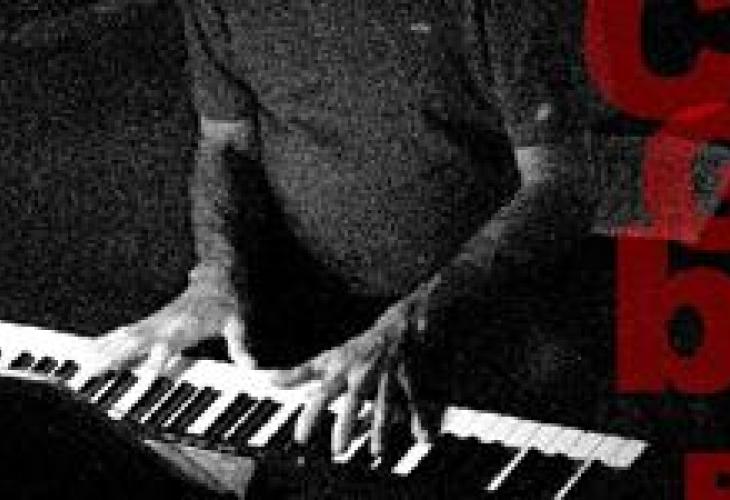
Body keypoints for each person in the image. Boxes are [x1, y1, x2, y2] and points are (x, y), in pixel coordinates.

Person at [91, 0, 726, 486]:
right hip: (322, 308)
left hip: (490, 313)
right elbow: (225, 143)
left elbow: (560, 187)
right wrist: (214, 277)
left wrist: (416, 319)